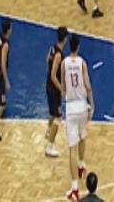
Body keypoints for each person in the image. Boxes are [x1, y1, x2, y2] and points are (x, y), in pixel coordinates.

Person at [61, 34, 95, 201]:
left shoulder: (64, 63)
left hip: (71, 107)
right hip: (82, 105)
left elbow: (63, 87)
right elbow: (87, 85)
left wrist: (66, 97)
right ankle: (81, 164)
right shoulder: (82, 63)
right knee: (83, 136)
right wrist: (92, 104)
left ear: (69, 46)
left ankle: (74, 188)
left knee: (72, 148)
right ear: (78, 47)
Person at [45, 26, 68, 158]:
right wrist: (61, 88)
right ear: (65, 39)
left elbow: (47, 62)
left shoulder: (52, 48)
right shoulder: (59, 54)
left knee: (52, 113)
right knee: (58, 117)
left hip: (49, 86)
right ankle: (50, 146)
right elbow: (53, 75)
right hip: (53, 88)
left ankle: (49, 131)